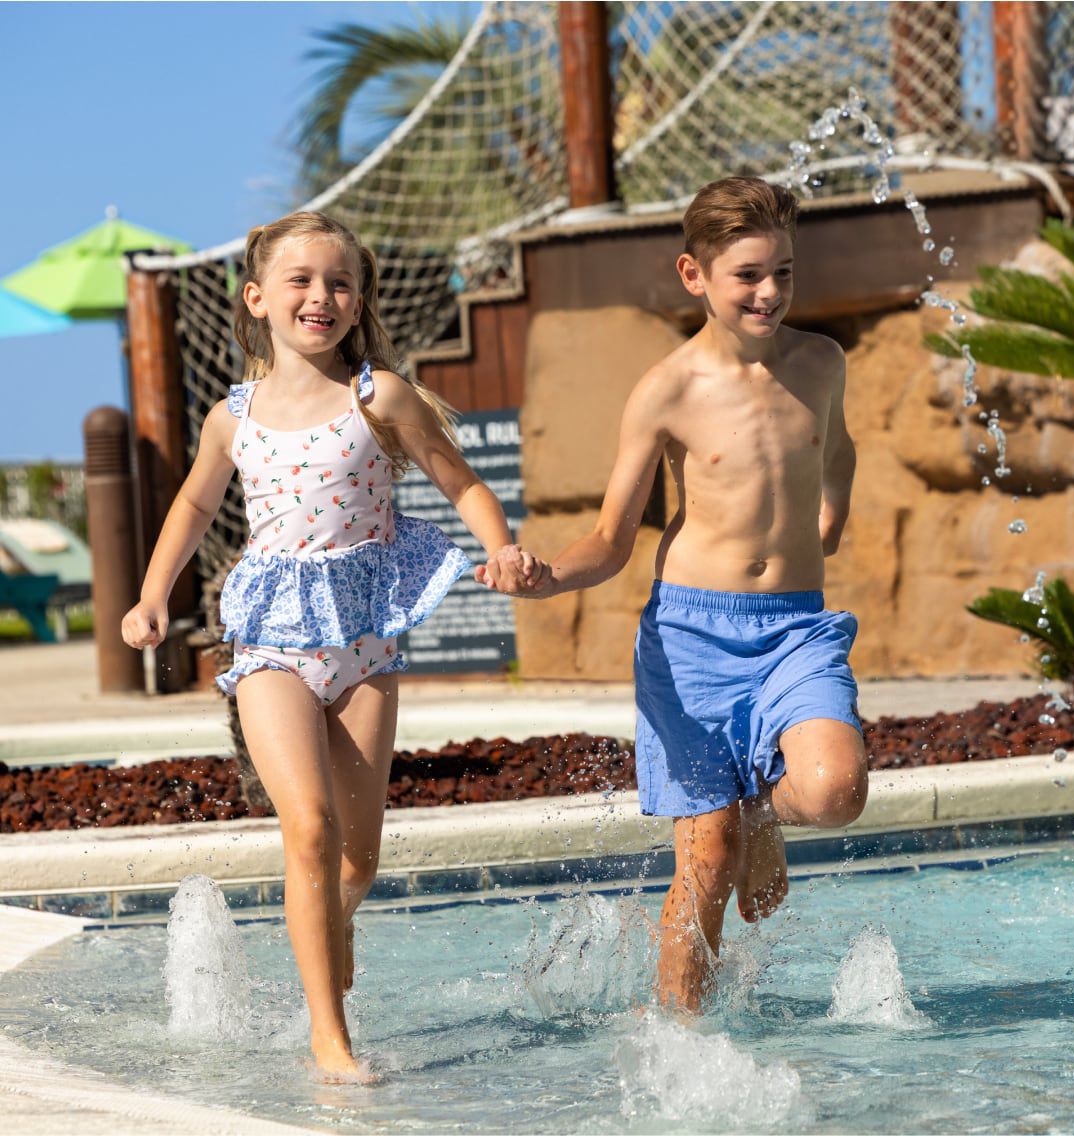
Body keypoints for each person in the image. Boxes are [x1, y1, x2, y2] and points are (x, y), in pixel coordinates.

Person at [121, 211, 546, 1080]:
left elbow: (458, 480)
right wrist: (151, 595)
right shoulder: (230, 419)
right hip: (272, 638)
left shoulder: (377, 398)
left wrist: (499, 545)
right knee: (308, 829)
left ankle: (335, 917)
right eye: (302, 281)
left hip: (364, 640)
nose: (321, 296)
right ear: (257, 300)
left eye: (339, 282)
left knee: (359, 857)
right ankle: (331, 1037)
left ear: (358, 302)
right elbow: (195, 508)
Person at [506, 176, 867, 1011]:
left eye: (783, 270)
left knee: (836, 790)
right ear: (694, 275)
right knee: (705, 863)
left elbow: (837, 449)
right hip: (693, 639)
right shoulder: (665, 390)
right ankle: (680, 1038)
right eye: (747, 274)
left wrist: (832, 514)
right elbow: (611, 536)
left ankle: (765, 812)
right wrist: (549, 576)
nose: (770, 290)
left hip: (794, 629)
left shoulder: (821, 362)